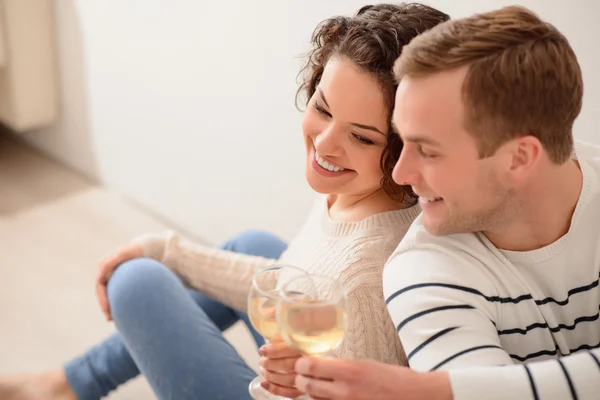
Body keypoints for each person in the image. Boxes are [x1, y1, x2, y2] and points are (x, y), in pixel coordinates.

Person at [0, 3, 451, 400]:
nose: (325, 144)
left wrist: (282, 381)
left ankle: (68, 385)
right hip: (318, 347)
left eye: (361, 136)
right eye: (323, 107)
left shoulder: (362, 281)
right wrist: (168, 250)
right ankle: (64, 386)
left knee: (135, 283)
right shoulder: (364, 192)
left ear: (404, 147)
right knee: (255, 246)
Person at [293, 5, 600, 400]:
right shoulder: (420, 270)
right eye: (401, 141)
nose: (400, 175)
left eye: (428, 151)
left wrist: (436, 390)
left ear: (519, 158)